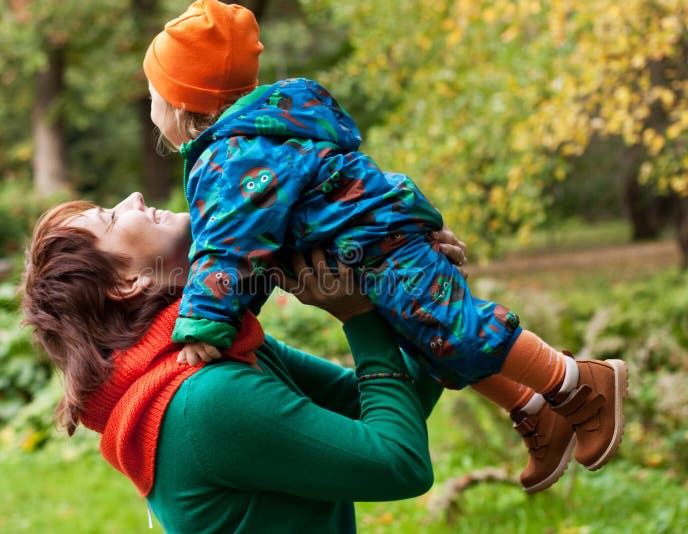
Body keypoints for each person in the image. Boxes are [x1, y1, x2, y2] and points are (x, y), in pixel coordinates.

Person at [140, 0, 628, 495]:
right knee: (431, 343)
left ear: (182, 104)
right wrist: (238, 314)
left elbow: (228, 245)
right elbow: (259, 250)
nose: (151, 108)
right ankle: (534, 407)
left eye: (153, 96)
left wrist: (206, 319)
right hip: (368, 244)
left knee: (453, 329)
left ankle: (580, 383)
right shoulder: (254, 140)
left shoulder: (231, 157)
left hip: (378, 244)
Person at [20, 192, 469, 532]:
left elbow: (366, 404)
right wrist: (357, 315)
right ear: (126, 284)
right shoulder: (204, 400)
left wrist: (429, 295)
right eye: (113, 218)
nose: (134, 198)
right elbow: (400, 464)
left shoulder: (213, 351)